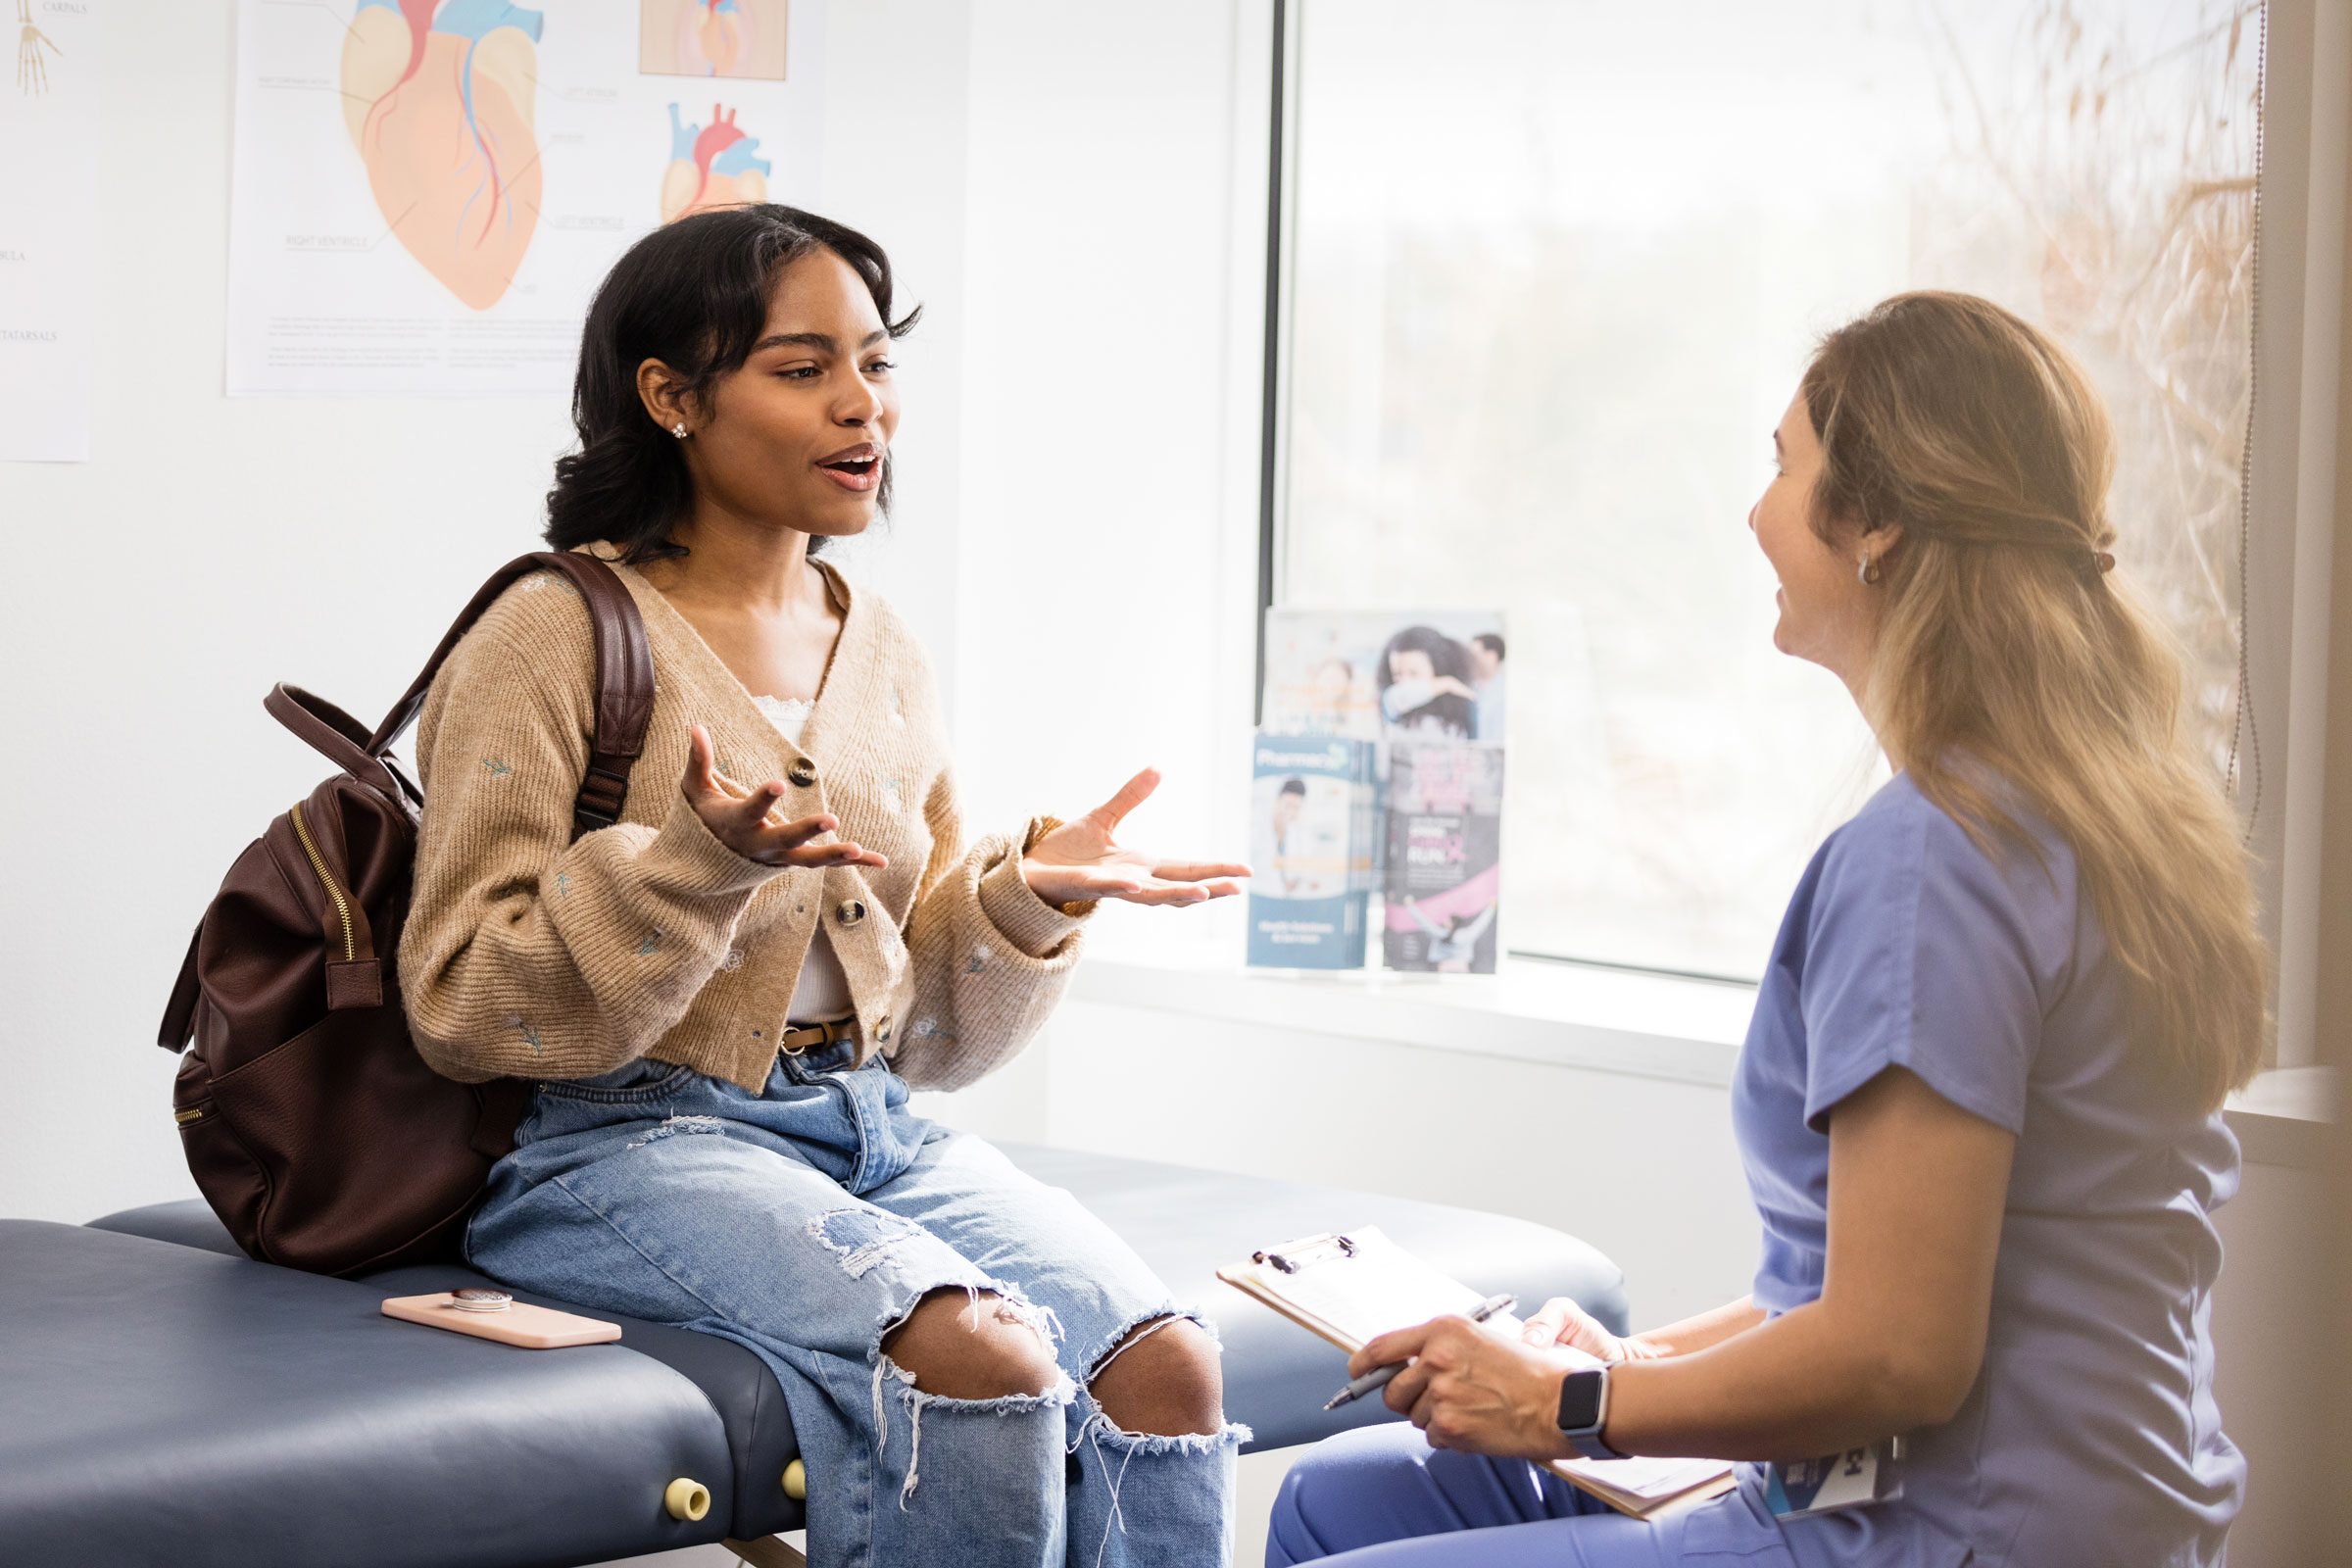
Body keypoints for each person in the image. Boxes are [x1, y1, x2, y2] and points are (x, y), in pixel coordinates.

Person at [1264, 291, 2267, 1567]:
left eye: (1786, 467)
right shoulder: (2099, 806)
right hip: (2078, 1494)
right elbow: (1869, 1284)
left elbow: (1899, 1352)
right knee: (1346, 1498)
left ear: (1880, 525)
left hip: (1953, 1529)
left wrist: (1567, 1404)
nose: (1755, 513)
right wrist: (1631, 1361)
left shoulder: (1934, 858)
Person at [395, 205, 1255, 1568]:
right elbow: (462, 1001)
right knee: (981, 1360)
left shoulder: (882, 646)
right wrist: (693, 869)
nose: (866, 409)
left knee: (1164, 1373)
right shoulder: (549, 631)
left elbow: (923, 1037)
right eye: (803, 370)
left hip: (870, 1123)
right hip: (617, 1141)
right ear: (671, 397)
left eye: (877, 364)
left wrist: (1027, 897)